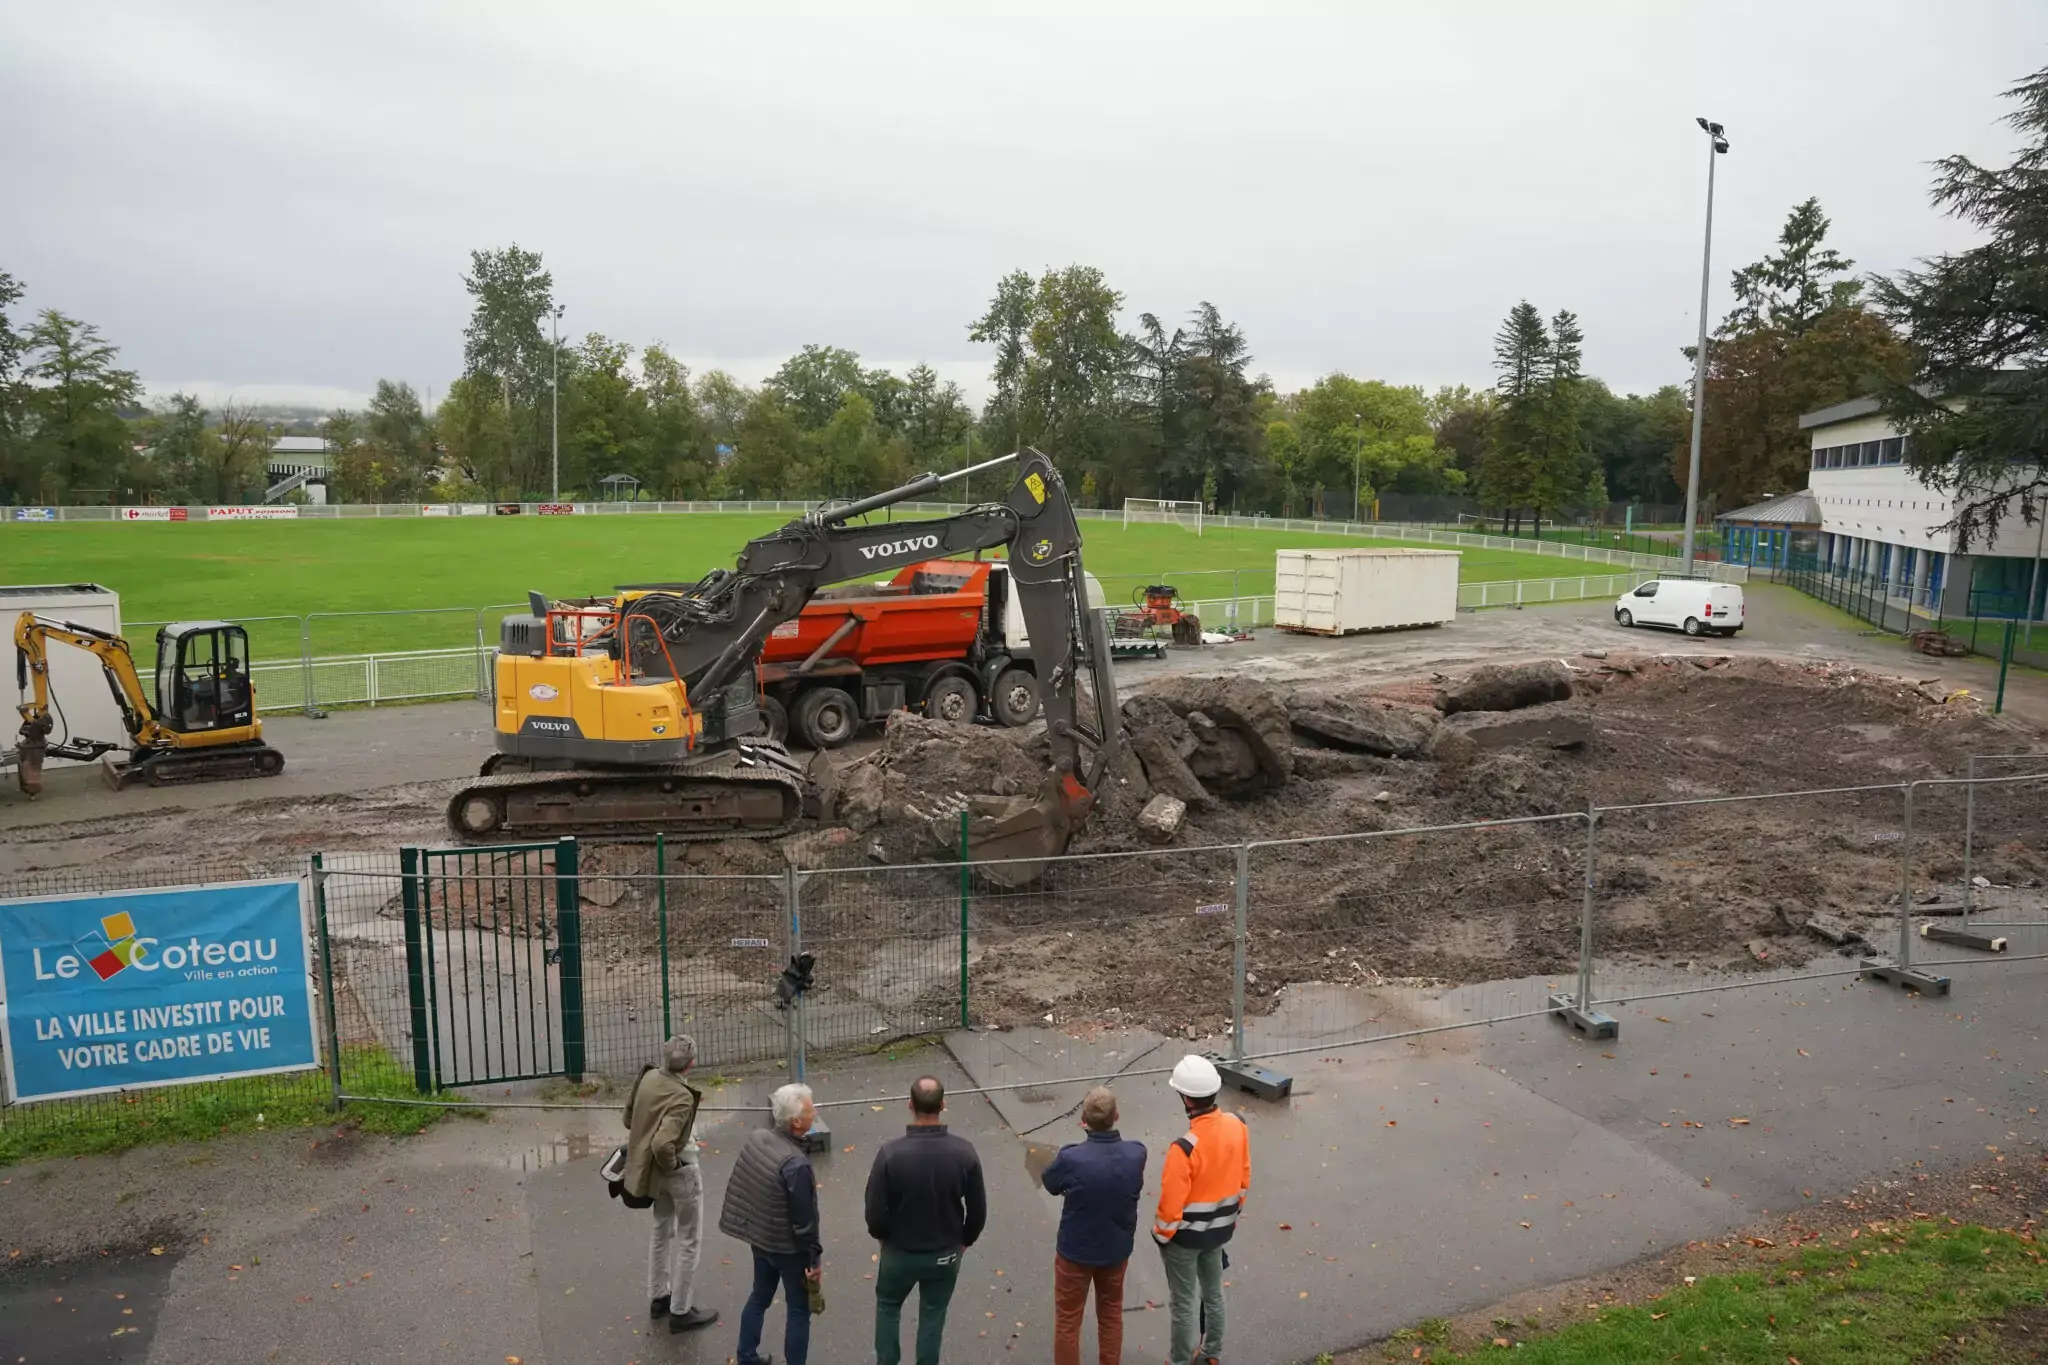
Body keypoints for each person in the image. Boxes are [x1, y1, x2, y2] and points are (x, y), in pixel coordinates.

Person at [864, 1076, 987, 1365]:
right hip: (944, 1253)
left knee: (888, 1306)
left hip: (899, 1252)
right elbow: (978, 1211)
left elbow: (874, 1211)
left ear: (910, 1105)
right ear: (943, 1105)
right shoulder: (964, 1152)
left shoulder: (890, 1154)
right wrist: (965, 1241)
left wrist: (882, 1237)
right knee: (933, 1315)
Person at [1153, 1056, 1249, 1365]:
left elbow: (1170, 1207)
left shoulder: (1184, 1148)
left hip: (1185, 1241)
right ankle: (1211, 1353)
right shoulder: (1237, 1126)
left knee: (1184, 1304)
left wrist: (1162, 1235)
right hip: (1219, 1232)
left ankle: (1180, 1360)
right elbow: (1244, 1178)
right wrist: (1229, 1219)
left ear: (1185, 1097)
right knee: (1213, 1294)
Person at [718, 1083, 823, 1365]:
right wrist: (813, 1261)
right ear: (797, 1122)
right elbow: (804, 1222)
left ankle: (746, 1356)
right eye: (812, 1109)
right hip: (788, 1250)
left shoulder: (759, 1138)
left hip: (761, 1239)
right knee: (799, 1310)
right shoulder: (796, 1165)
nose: (816, 1112)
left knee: (760, 1296)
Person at [1042, 1085, 1147, 1365]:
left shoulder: (1071, 1158)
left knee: (1068, 1319)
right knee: (1111, 1314)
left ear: (1083, 1121)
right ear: (1117, 1116)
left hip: (1075, 1252)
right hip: (1115, 1251)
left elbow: (1050, 1182)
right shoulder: (1136, 1154)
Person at [623, 1034, 717, 1332]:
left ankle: (659, 1296)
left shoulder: (648, 1077)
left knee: (661, 1229)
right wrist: (674, 1164)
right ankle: (681, 1311)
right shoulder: (682, 1095)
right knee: (689, 1239)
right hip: (679, 1170)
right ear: (690, 1064)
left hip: (652, 1173)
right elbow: (664, 1143)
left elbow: (629, 1119)